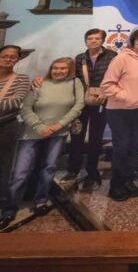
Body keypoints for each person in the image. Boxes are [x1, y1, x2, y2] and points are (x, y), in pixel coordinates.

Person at [1, 57, 84, 226]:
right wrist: (39, 127)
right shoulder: (39, 83)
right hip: (31, 134)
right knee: (20, 172)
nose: (58, 71)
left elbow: (78, 106)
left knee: (49, 168)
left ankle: (41, 201)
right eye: (55, 68)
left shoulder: (75, 83)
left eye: (63, 68)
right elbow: (25, 108)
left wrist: (58, 125)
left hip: (58, 133)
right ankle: (9, 210)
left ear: (69, 70)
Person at [100, 27, 138, 202]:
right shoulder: (121, 58)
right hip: (120, 111)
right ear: (133, 40)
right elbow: (107, 85)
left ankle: (128, 181)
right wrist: (127, 97)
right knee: (122, 147)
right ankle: (116, 185)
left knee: (136, 147)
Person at [60, 29, 117, 191]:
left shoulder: (112, 56)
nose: (93, 41)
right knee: (77, 134)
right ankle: (73, 170)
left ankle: (92, 172)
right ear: (85, 41)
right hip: (81, 101)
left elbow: (115, 76)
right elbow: (73, 78)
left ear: (102, 40)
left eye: (97, 38)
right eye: (90, 38)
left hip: (102, 100)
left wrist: (107, 92)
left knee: (95, 137)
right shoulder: (80, 58)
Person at [0, 45, 30, 229]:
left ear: (17, 60)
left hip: (7, 127)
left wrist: (6, 102)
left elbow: (16, 101)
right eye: (4, 56)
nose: (8, 59)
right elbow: (6, 102)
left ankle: (6, 208)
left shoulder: (21, 79)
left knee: (6, 168)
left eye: (13, 57)